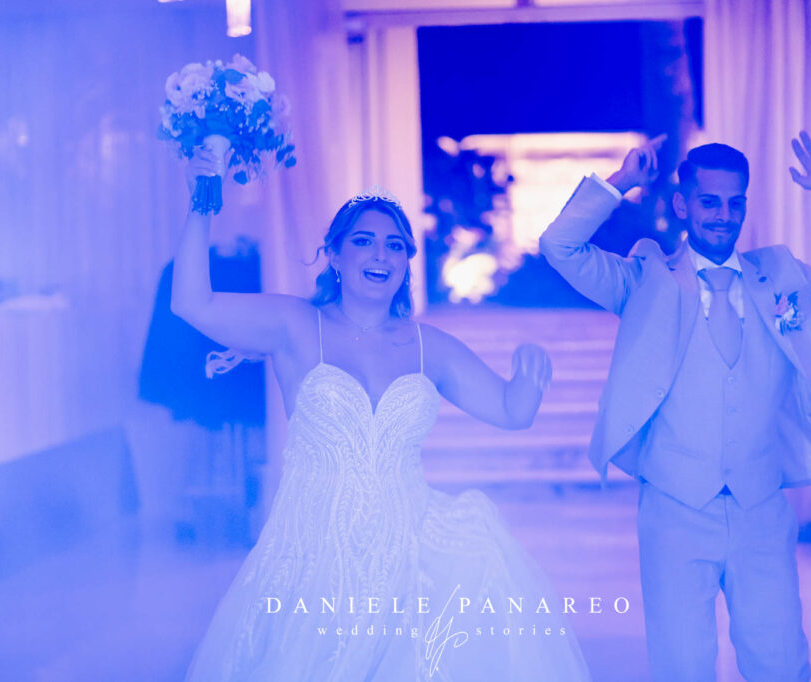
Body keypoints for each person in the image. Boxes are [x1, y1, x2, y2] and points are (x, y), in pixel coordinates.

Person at [173, 145, 592, 681]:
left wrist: (530, 377)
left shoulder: (427, 345)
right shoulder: (295, 325)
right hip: (311, 558)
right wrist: (204, 200)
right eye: (364, 241)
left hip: (409, 556)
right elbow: (192, 303)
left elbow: (511, 412)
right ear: (334, 254)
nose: (381, 255)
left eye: (395, 245)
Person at [539, 132, 811, 681]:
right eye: (710, 201)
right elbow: (559, 247)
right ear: (682, 204)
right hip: (674, 508)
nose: (723, 215)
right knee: (681, 667)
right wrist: (620, 183)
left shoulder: (783, 277)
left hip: (760, 506)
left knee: (780, 665)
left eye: (735, 202)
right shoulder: (643, 278)